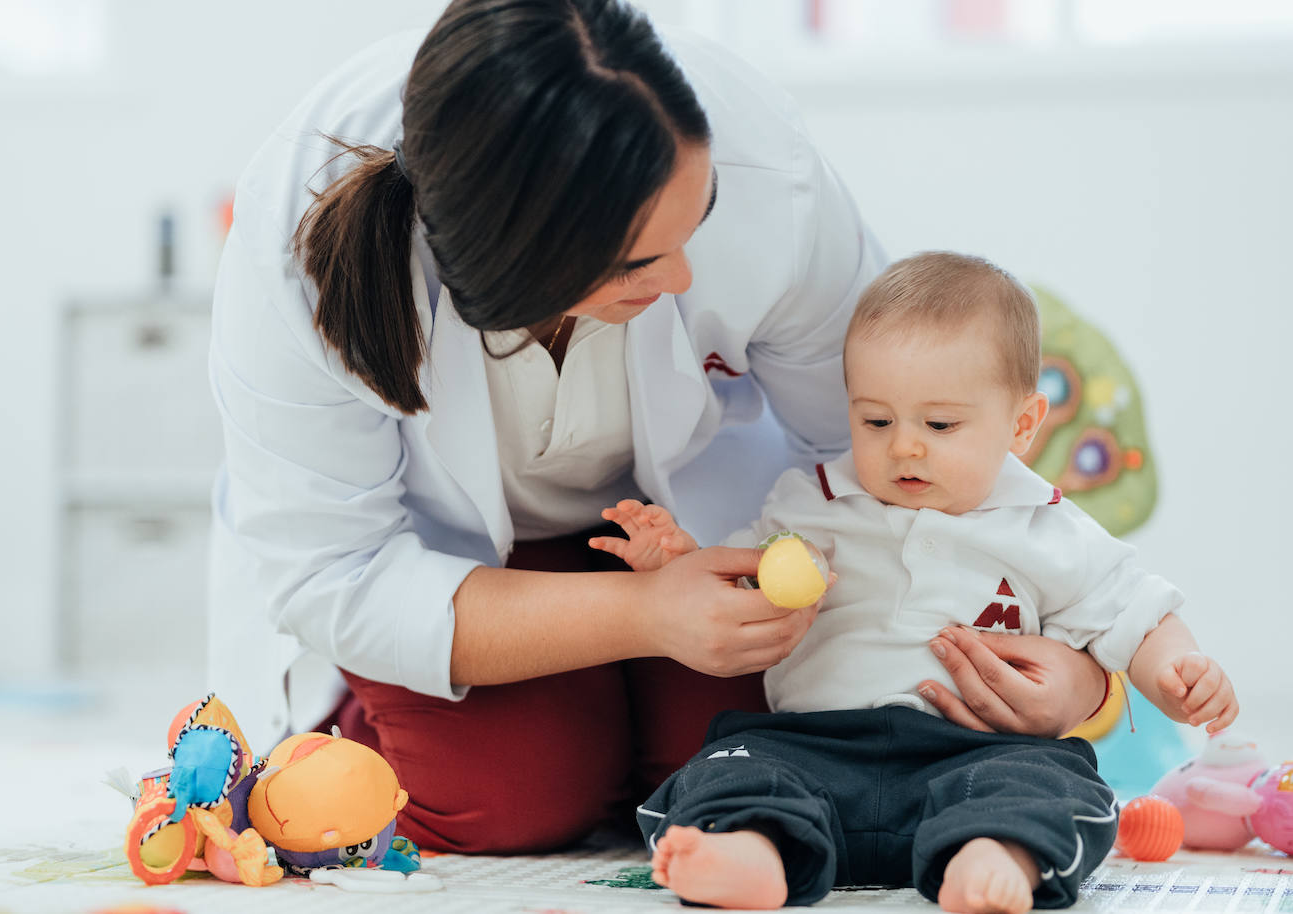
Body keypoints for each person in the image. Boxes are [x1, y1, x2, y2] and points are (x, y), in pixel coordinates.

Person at [206, 0, 1110, 855]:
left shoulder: (768, 175)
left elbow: (876, 448)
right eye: (638, 262)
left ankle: (619, 718)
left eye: (697, 222)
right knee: (511, 797)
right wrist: (643, 614)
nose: (681, 280)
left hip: (701, 529)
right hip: (443, 559)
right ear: (507, 271)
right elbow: (345, 570)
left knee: (749, 757)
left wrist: (1083, 676)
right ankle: (343, 733)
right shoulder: (298, 241)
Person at [592, 252, 1237, 911]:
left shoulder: (1049, 530)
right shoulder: (810, 505)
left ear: (1021, 425)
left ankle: (991, 856)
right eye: (876, 421)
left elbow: (1137, 611)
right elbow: (733, 585)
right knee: (734, 763)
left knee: (1054, 782)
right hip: (819, 746)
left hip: (977, 758)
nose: (904, 447)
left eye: (939, 425)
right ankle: (754, 853)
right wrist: (674, 559)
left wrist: (1176, 671)